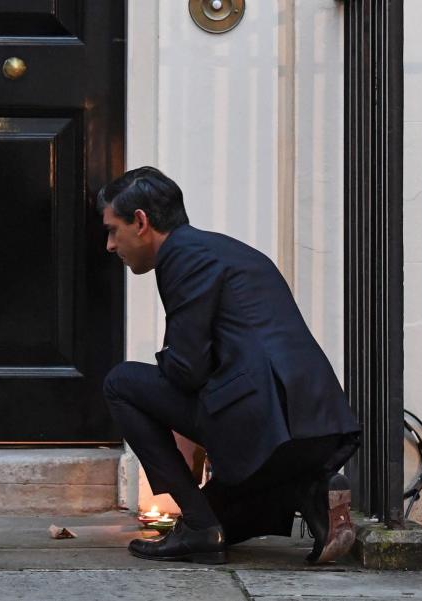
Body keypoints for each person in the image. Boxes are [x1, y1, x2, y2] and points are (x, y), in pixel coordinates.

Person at [99, 166, 361, 565]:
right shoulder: (224, 249)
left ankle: (200, 525)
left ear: (141, 222)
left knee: (121, 382)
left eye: (113, 230)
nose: (110, 245)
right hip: (314, 428)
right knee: (222, 521)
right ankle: (310, 489)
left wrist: (169, 381)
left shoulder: (182, 259)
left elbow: (187, 370)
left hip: (269, 425)